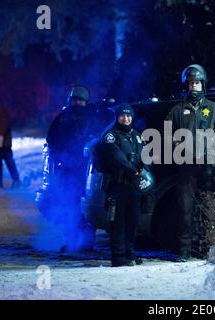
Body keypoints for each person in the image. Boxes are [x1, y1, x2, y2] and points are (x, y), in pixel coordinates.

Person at [165, 64, 215, 261]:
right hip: (186, 166)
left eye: (197, 83)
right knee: (185, 210)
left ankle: (208, 249)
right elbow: (166, 135)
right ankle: (185, 250)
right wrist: (177, 142)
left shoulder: (213, 108)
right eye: (191, 83)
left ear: (203, 84)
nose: (194, 86)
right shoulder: (177, 111)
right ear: (186, 85)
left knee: (208, 208)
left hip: (208, 165)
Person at [45, 85, 111, 251]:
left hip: (84, 170)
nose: (77, 103)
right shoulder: (62, 118)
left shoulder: (92, 118)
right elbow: (52, 140)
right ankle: (71, 241)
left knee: (85, 207)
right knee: (69, 205)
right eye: (75, 100)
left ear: (85, 102)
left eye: (80, 100)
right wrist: (60, 159)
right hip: (67, 170)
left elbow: (98, 140)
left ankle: (86, 242)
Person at [95, 104, 146, 267]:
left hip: (133, 185)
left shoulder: (136, 136)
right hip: (117, 184)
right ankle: (118, 257)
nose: (126, 118)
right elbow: (117, 157)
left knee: (133, 221)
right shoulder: (111, 136)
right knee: (118, 222)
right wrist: (132, 170)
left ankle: (129, 254)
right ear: (117, 117)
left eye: (129, 115)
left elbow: (144, 156)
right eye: (122, 116)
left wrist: (144, 171)